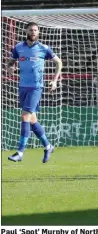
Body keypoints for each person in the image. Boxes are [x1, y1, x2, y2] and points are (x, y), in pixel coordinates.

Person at [7, 22, 62, 163]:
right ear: (26, 31)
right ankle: (48, 146)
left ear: (38, 32)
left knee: (25, 116)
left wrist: (55, 80)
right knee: (32, 120)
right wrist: (10, 68)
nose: (33, 32)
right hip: (22, 87)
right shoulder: (18, 48)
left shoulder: (44, 48)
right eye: (31, 30)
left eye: (35, 30)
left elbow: (59, 62)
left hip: (36, 88)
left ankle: (20, 152)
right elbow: (10, 63)